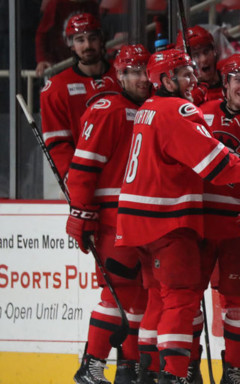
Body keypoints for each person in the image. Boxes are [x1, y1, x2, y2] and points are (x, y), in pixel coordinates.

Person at [115, 48, 240, 384]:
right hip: (170, 221)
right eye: (184, 74)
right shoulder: (183, 110)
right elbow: (215, 162)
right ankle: (174, 374)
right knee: (181, 300)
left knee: (163, 297)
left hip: (142, 219)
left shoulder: (148, 108)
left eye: (191, 73)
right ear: (165, 79)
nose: (193, 79)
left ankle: (150, 371)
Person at [67, 43, 151, 384]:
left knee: (139, 295)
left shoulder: (150, 108)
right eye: (134, 72)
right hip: (114, 219)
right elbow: (83, 169)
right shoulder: (109, 110)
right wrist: (81, 213)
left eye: (146, 71)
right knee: (117, 291)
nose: (143, 79)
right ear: (119, 74)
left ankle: (129, 368)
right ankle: (92, 364)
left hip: (142, 219)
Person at [197, 53, 240, 384]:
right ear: (224, 83)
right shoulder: (200, 114)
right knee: (186, 297)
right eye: (238, 80)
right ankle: (183, 366)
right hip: (200, 223)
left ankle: (235, 371)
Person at [40, 12, 121, 180]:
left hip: (126, 172)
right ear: (71, 44)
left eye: (92, 38)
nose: (87, 46)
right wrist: (70, 174)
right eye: (80, 40)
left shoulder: (124, 75)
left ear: (101, 39)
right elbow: (57, 141)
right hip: (88, 176)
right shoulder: (56, 88)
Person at [34, 0, 99, 76]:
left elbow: (98, 33)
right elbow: (42, 34)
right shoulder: (56, 4)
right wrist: (42, 59)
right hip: (59, 63)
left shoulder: (91, 5)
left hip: (85, 62)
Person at [177, 25, 223, 104]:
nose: (203, 59)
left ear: (214, 51)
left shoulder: (231, 82)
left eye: (206, 51)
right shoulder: (183, 96)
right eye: (195, 55)